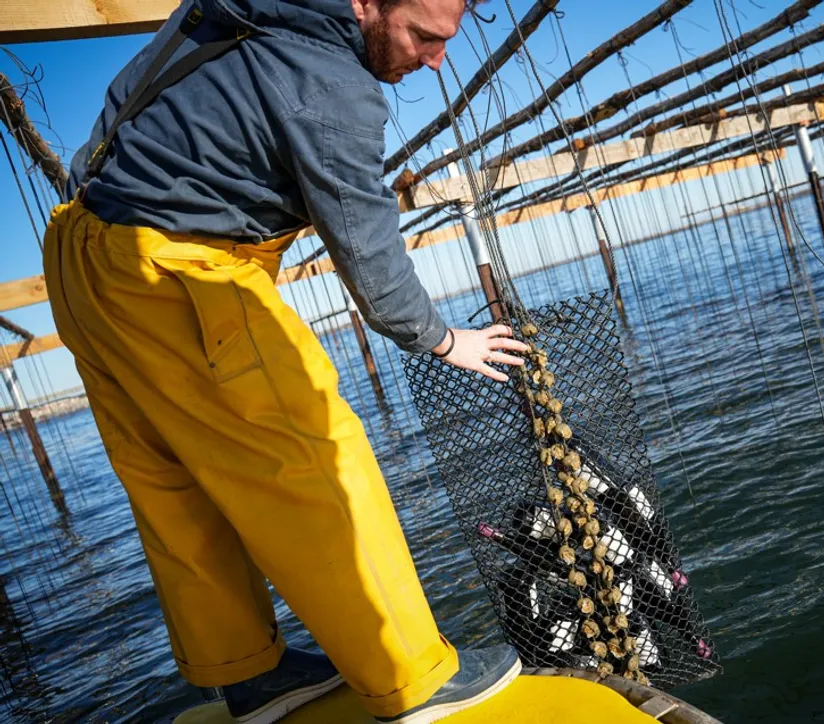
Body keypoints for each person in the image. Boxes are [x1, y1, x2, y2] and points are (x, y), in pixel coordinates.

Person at [43, 0, 528, 722]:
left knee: (173, 484)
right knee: (315, 461)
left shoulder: (242, 10)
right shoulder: (333, 83)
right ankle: (413, 680)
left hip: (82, 255)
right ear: (368, 3)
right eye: (423, 37)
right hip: (177, 270)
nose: (434, 60)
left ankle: (250, 674)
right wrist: (442, 338)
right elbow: (369, 254)